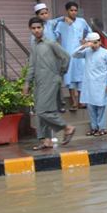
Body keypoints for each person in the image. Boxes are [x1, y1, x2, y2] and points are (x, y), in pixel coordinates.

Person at [25, 16, 76, 150]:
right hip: (39, 82)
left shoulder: (50, 43)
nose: (36, 30)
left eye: (39, 27)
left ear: (43, 28)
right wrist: (26, 83)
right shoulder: (34, 45)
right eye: (34, 28)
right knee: (40, 111)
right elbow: (31, 66)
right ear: (30, 29)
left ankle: (67, 128)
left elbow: (66, 57)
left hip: (51, 81)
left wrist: (60, 72)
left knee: (43, 111)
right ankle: (46, 141)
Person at [73, 32, 107, 137]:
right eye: (92, 43)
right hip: (89, 85)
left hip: (101, 84)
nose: (94, 45)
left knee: (101, 107)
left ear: (100, 42)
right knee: (91, 107)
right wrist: (83, 46)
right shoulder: (86, 52)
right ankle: (94, 127)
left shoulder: (106, 53)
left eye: (96, 42)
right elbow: (74, 54)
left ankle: (102, 128)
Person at [54, 1, 91, 111]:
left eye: (75, 10)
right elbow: (54, 35)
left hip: (80, 53)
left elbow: (89, 32)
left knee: (80, 77)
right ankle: (74, 102)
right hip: (68, 53)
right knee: (69, 77)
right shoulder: (61, 23)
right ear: (67, 11)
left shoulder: (82, 21)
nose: (74, 12)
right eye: (71, 10)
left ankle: (81, 101)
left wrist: (86, 40)